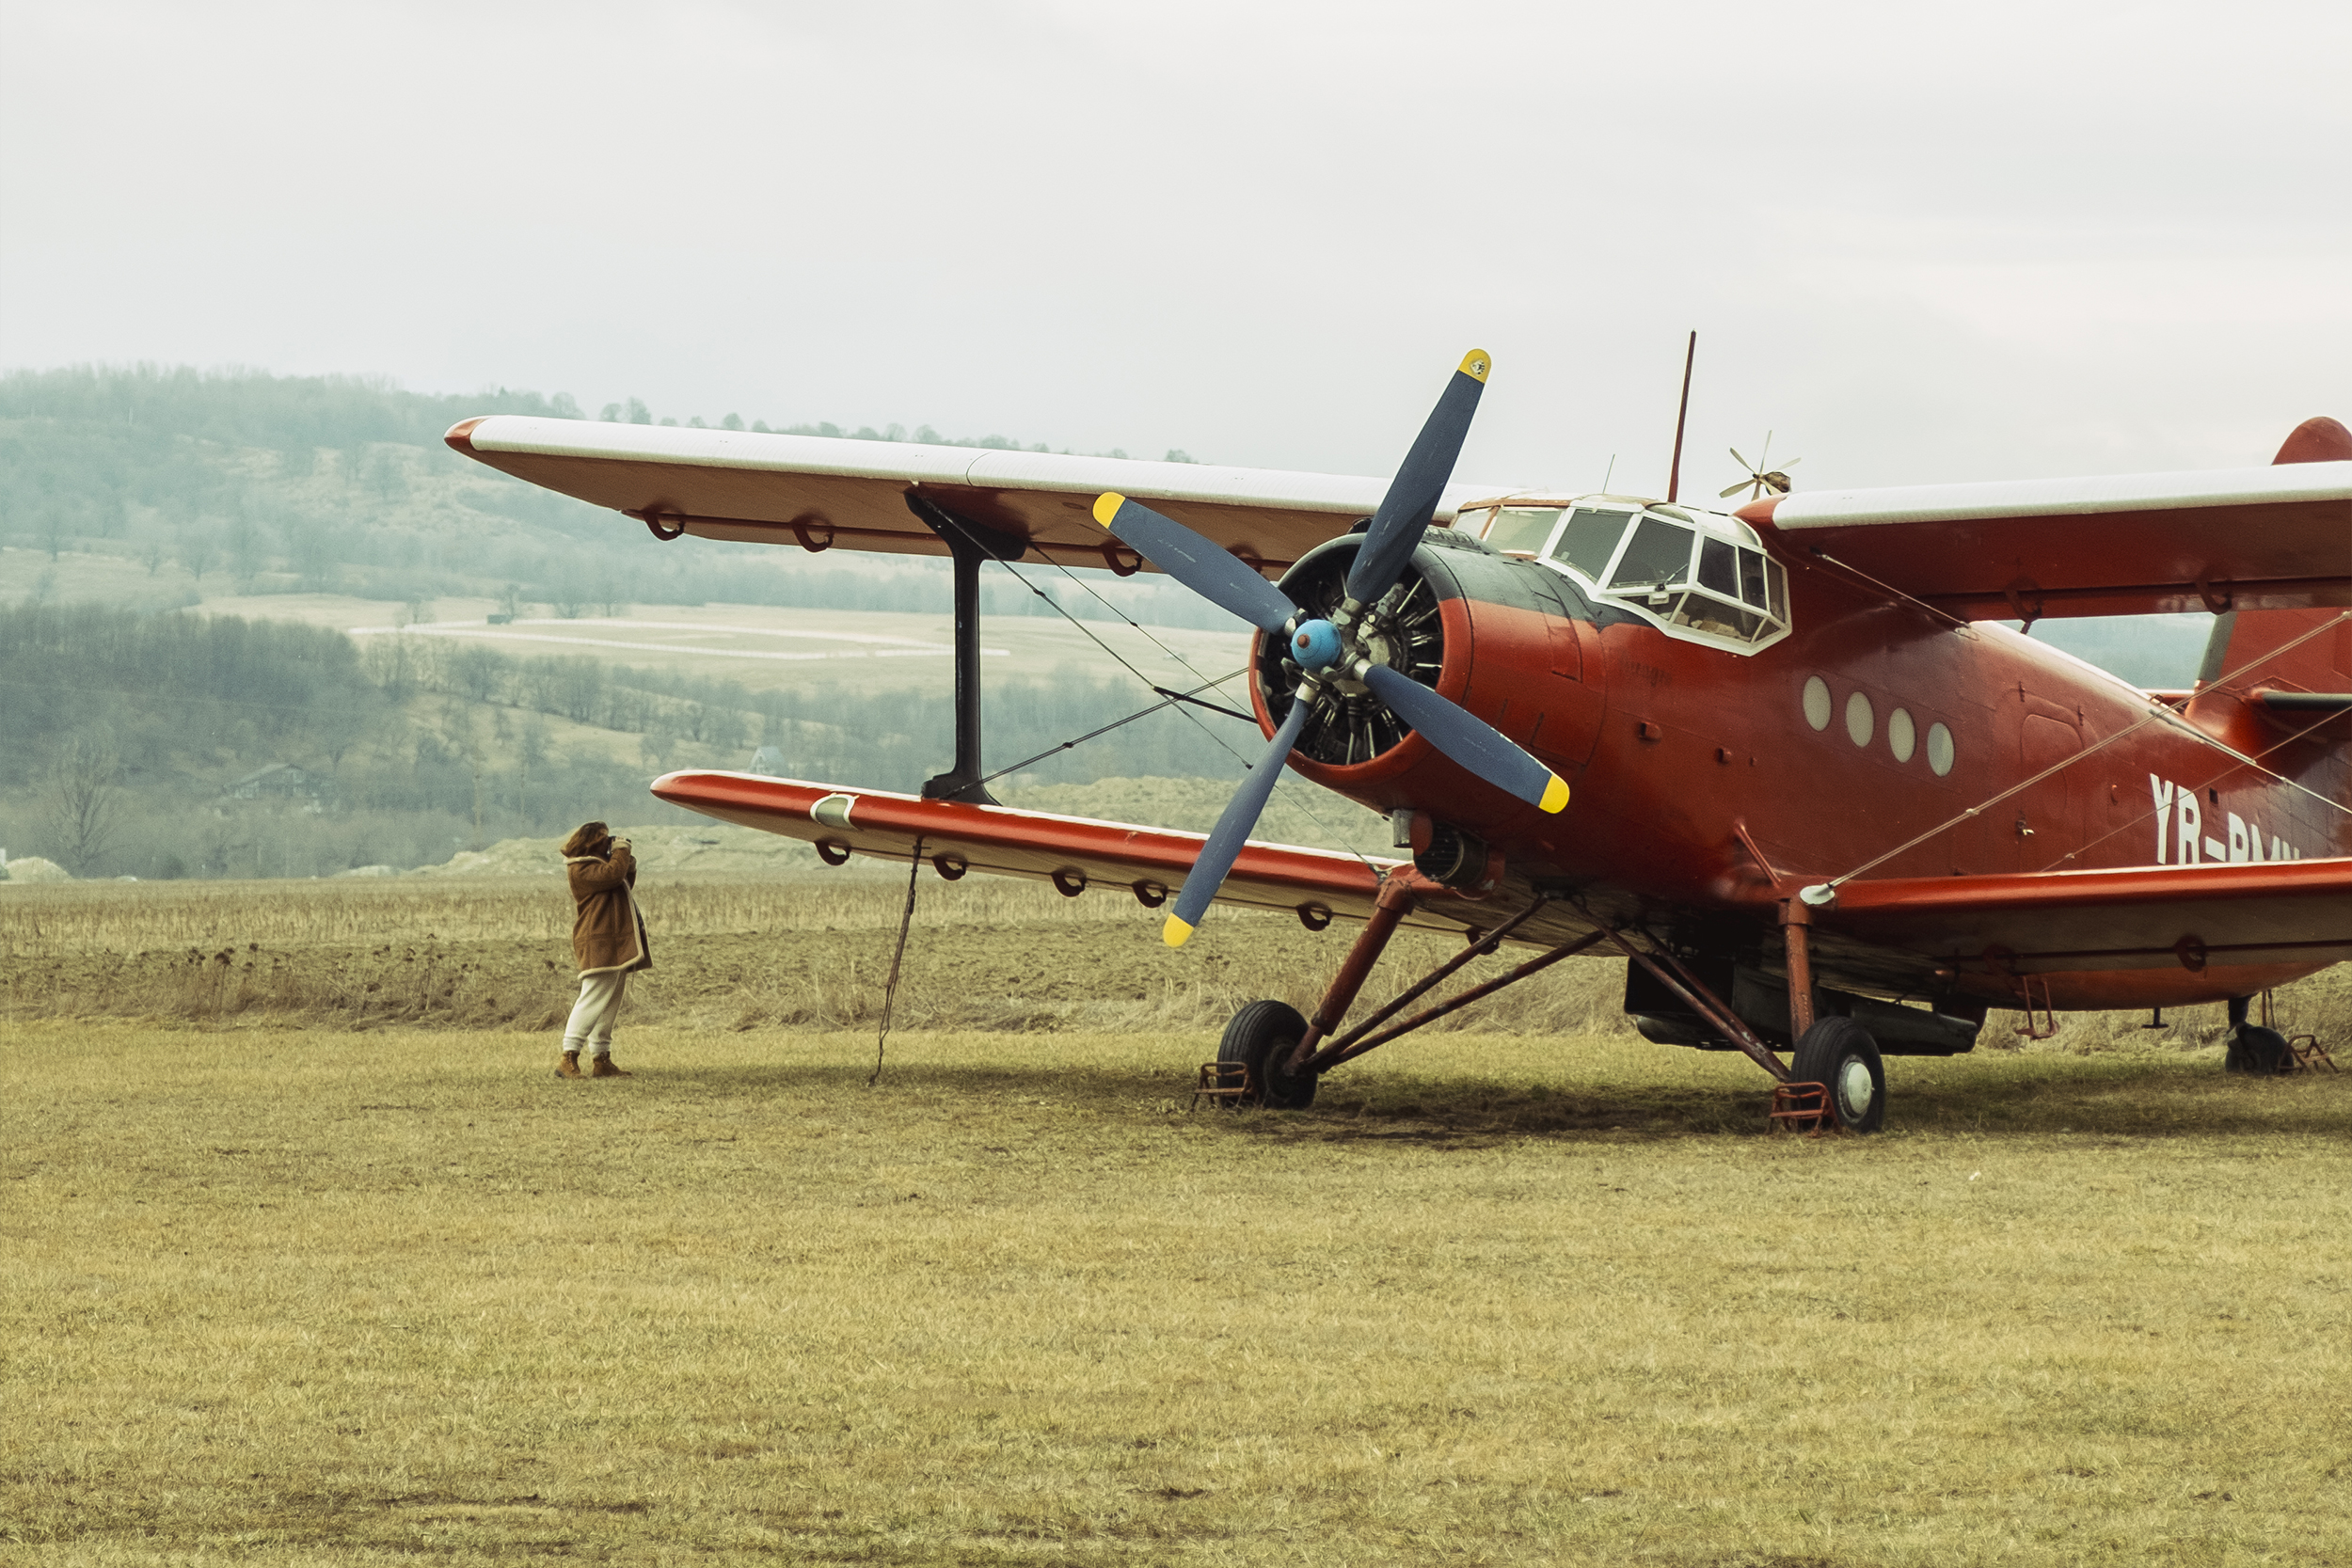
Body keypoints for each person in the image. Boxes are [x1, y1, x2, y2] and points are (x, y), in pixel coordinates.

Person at [555, 820, 651, 1079]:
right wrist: (621, 850)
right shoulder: (580, 869)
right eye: (604, 839)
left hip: (610, 940)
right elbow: (613, 876)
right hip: (599, 940)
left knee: (609, 1001)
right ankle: (568, 1056)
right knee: (593, 997)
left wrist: (625, 859)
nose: (608, 842)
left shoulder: (596, 866)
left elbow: (622, 880)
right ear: (590, 842)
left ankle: (601, 1058)